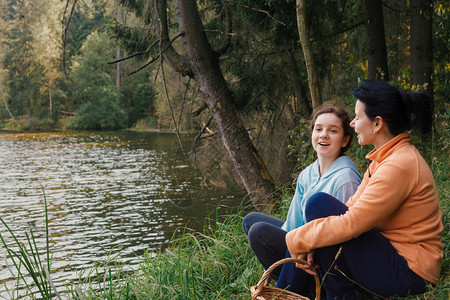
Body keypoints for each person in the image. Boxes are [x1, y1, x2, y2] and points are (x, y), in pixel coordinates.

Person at [285, 80, 443, 299]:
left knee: (318, 205)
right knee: (319, 214)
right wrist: (310, 237)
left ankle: (290, 293)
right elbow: (349, 209)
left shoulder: (399, 164)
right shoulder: (385, 159)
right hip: (390, 256)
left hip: (410, 273)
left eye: (358, 117)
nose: (352, 123)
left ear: (377, 124)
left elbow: (352, 223)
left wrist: (298, 238)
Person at [242, 104, 361, 290]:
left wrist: (306, 243)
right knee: (250, 221)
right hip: (304, 243)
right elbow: (293, 224)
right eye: (318, 129)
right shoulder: (308, 173)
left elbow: (346, 236)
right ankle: (298, 283)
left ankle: (302, 288)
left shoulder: (346, 178)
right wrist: (296, 243)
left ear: (345, 140)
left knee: (258, 231)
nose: (323, 135)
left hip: (324, 252)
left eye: (333, 131)